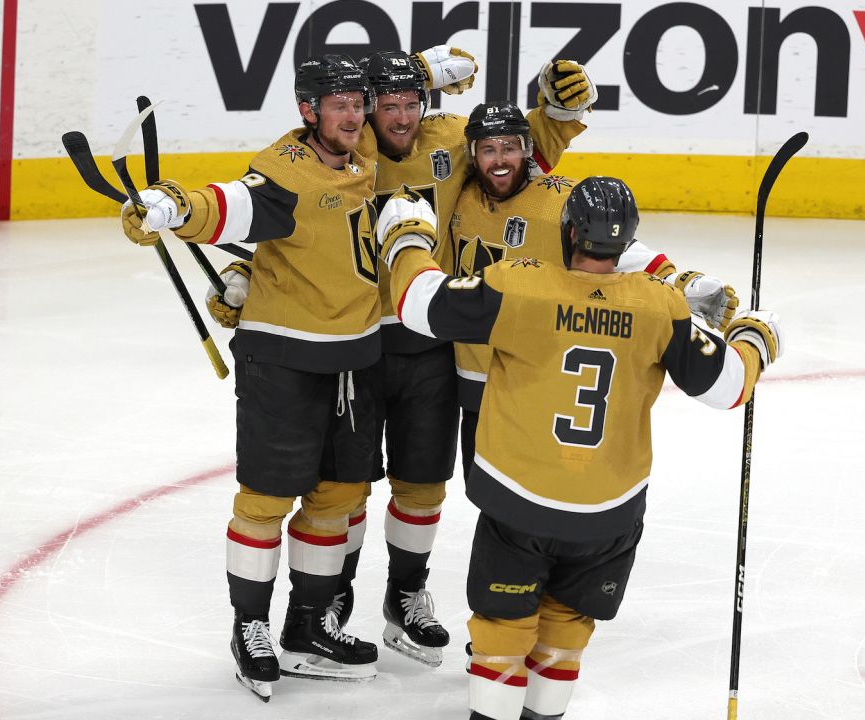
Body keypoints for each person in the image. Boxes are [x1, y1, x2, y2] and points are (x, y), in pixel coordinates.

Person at [373, 178, 782, 720]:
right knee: (565, 626)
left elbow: (418, 303)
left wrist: (406, 232)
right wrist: (755, 337)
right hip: (608, 515)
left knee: (502, 629)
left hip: (522, 502)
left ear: (568, 232)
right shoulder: (663, 307)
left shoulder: (519, 287)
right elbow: (729, 387)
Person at [320, 49, 598, 668]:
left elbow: (518, 164)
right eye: (384, 104)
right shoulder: (340, 140)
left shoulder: (451, 136)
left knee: (422, 484)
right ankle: (332, 598)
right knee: (344, 488)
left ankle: (405, 595)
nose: (399, 116)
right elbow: (297, 210)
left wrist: (559, 110)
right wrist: (243, 269)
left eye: (410, 102)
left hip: (429, 345)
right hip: (354, 338)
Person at [120, 54, 383, 700]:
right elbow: (231, 207)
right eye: (338, 105)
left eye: (358, 104)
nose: (352, 116)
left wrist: (423, 70)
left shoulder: (366, 155)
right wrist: (175, 206)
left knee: (340, 498)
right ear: (307, 111)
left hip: (355, 358)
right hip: (284, 359)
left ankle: (307, 626)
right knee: (267, 500)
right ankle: (250, 628)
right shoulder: (283, 174)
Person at [450, 102, 740, 477]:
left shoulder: (558, 201)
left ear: (526, 148)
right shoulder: (457, 194)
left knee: (541, 489)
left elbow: (617, 248)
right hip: (470, 380)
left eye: (509, 147)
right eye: (489, 149)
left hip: (533, 381)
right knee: (484, 492)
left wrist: (681, 282)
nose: (500, 159)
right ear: (473, 155)